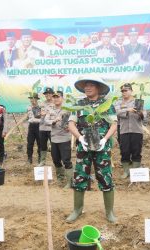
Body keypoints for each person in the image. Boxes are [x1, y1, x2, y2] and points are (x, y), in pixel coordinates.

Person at [66, 75, 117, 223]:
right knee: (79, 177)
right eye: (85, 86)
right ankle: (77, 210)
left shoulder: (106, 105)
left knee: (105, 177)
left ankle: (109, 212)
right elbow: (71, 124)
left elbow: (114, 124)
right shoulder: (79, 104)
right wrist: (80, 138)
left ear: (98, 88)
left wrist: (105, 139)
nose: (87, 88)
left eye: (91, 85)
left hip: (102, 147)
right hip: (84, 147)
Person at [44, 91, 73, 188]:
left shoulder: (67, 110)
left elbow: (72, 121)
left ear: (62, 98)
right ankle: (61, 179)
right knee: (55, 160)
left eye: (58, 97)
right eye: (54, 97)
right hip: (54, 138)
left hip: (64, 138)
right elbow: (46, 121)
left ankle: (70, 182)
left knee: (66, 160)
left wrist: (69, 126)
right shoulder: (50, 109)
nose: (56, 99)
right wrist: (54, 121)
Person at [115, 83, 144, 178]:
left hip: (137, 130)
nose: (124, 92)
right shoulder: (118, 102)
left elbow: (144, 115)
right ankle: (126, 172)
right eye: (122, 91)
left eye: (126, 90)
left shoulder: (138, 101)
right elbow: (117, 112)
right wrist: (128, 110)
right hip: (123, 131)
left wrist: (141, 113)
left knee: (136, 151)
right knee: (124, 151)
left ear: (131, 91)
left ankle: (135, 173)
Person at [38, 87, 54, 166]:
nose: (47, 95)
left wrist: (48, 113)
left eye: (49, 94)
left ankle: (56, 161)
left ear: (52, 94)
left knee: (54, 146)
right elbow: (37, 115)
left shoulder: (55, 103)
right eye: (46, 94)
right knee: (42, 145)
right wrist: (39, 113)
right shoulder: (41, 104)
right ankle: (42, 161)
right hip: (42, 128)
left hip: (52, 128)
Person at [26, 93, 41, 164]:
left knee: (40, 143)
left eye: (34, 98)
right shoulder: (28, 107)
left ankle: (40, 158)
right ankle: (29, 158)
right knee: (30, 143)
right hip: (31, 126)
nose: (32, 100)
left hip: (39, 126)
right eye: (31, 99)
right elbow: (28, 116)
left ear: (37, 99)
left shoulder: (40, 107)